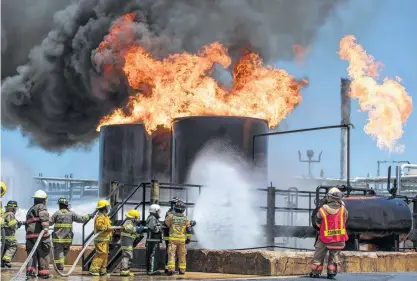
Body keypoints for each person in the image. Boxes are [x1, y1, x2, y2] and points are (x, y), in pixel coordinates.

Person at [309, 187, 348, 279]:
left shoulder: (323, 209)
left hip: (325, 238)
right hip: (339, 238)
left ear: (329, 197)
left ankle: (315, 272)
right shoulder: (343, 210)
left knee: (319, 254)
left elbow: (317, 221)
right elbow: (344, 221)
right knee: (335, 255)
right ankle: (331, 272)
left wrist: (323, 229)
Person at [49, 198, 96, 271]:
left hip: (58, 239)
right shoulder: (71, 213)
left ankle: (60, 268)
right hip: (68, 239)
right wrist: (89, 216)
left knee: (59, 254)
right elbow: (81, 219)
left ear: (60, 205)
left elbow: (49, 222)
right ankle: (60, 266)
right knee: (63, 254)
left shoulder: (57, 213)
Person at [26, 190, 51, 279]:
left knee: (31, 255)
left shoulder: (30, 210)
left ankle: (30, 272)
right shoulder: (41, 206)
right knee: (44, 253)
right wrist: (45, 227)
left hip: (30, 237)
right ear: (44, 200)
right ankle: (43, 273)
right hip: (40, 236)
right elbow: (43, 215)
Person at [165, 200, 191, 276]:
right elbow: (189, 229)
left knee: (171, 254)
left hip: (173, 239)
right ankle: (182, 270)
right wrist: (188, 239)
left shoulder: (171, 216)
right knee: (182, 255)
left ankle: (171, 270)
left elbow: (167, 224)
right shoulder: (186, 218)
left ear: (175, 208)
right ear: (183, 209)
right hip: (182, 240)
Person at [89, 199, 112, 276]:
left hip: (104, 240)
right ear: (104, 208)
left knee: (104, 255)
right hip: (100, 240)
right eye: (107, 207)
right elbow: (99, 226)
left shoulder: (104, 216)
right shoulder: (100, 216)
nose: (108, 208)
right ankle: (94, 270)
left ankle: (102, 270)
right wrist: (108, 228)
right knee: (100, 254)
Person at [120, 209, 146, 276]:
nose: (138, 219)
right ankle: (124, 271)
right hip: (126, 242)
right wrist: (137, 229)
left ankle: (126, 270)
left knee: (129, 256)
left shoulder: (131, 222)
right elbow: (129, 228)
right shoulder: (128, 221)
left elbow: (132, 233)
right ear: (134, 217)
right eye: (137, 217)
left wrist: (138, 234)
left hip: (128, 242)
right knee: (127, 255)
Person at [1, 201, 23, 268]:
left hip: (4, 237)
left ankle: (2, 262)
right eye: (15, 208)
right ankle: (6, 261)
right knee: (13, 245)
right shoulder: (10, 214)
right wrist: (18, 225)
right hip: (9, 237)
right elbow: (12, 225)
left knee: (5, 249)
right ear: (13, 208)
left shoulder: (4, 214)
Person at [163, 197, 179, 273]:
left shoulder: (169, 212)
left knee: (169, 251)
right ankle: (169, 269)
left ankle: (167, 268)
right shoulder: (173, 212)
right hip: (171, 235)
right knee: (171, 252)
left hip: (168, 235)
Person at [145, 204, 163, 275]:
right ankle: (151, 270)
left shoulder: (153, 217)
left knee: (152, 254)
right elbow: (153, 228)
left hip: (154, 240)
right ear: (155, 211)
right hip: (152, 240)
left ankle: (152, 269)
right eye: (158, 211)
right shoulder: (152, 218)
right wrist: (160, 227)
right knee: (152, 254)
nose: (159, 212)